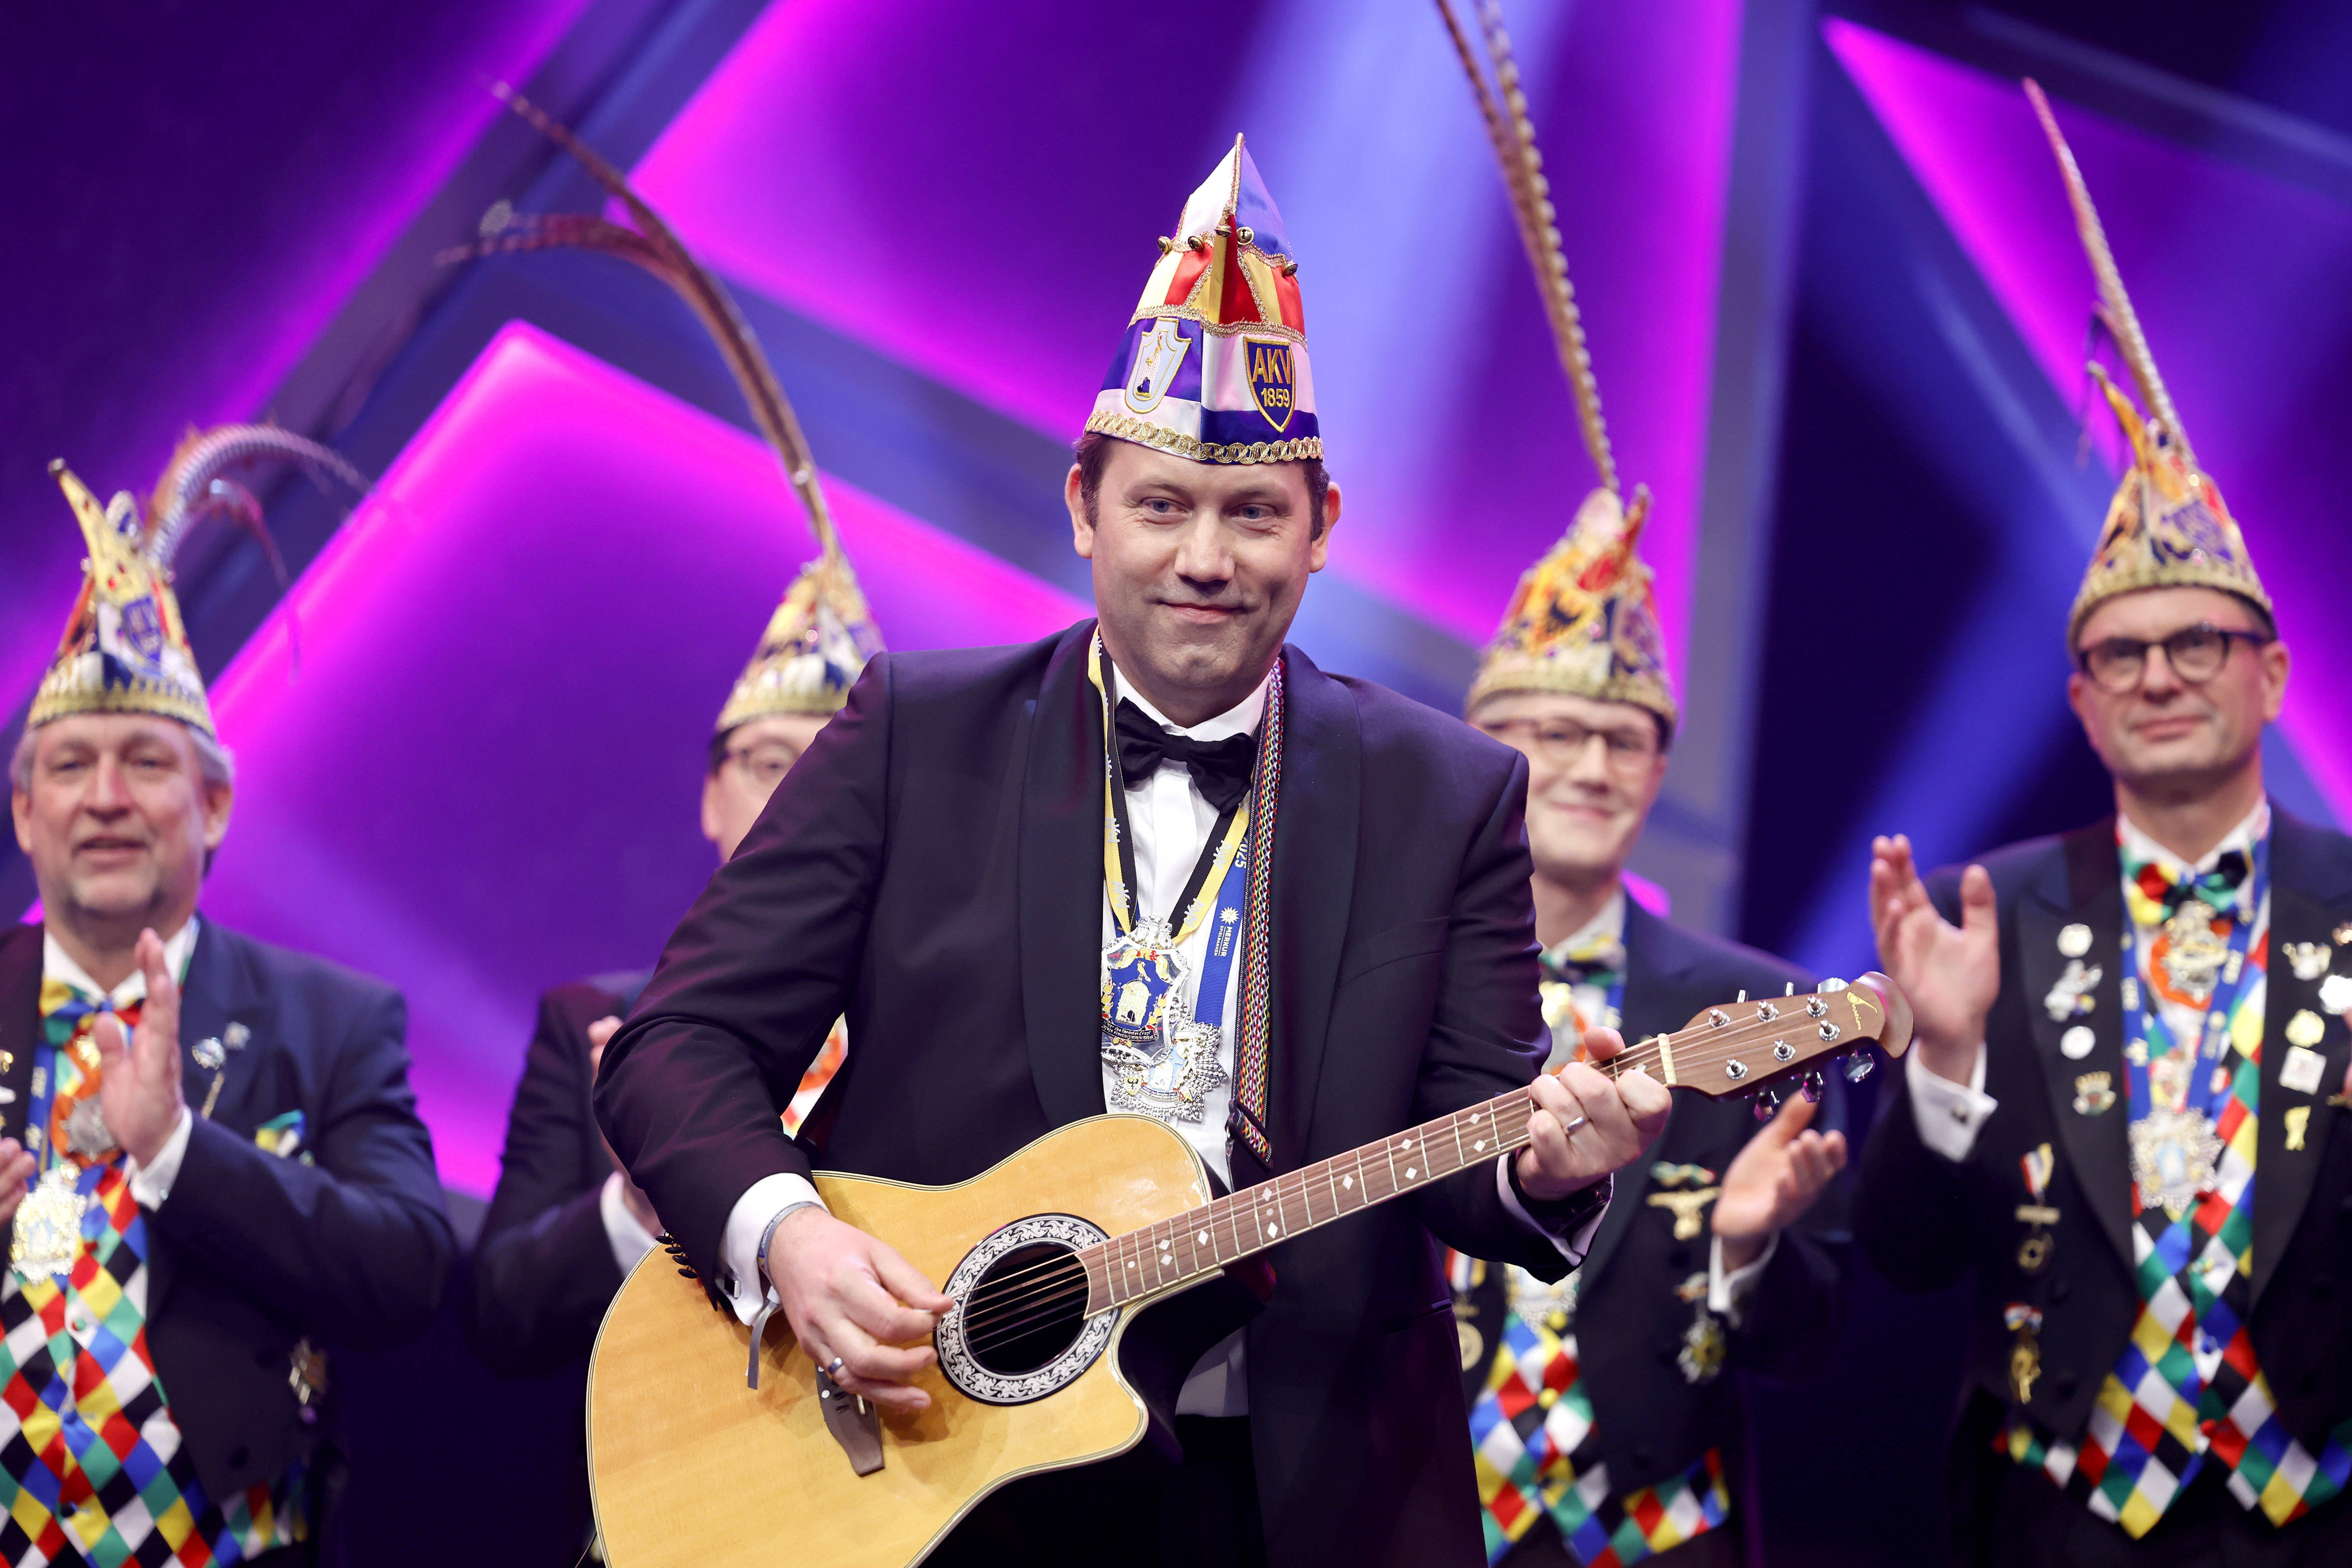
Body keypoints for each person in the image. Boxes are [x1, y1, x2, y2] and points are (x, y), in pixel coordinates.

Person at [595, 136, 1675, 1568]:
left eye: (1252, 513)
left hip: (1301, 1488)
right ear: (1082, 507)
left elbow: (1469, 1136)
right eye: (1160, 504)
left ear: (1323, 528)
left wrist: (1548, 1169)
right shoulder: (918, 732)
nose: (1204, 557)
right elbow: (675, 1044)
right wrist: (788, 1234)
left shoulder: (1451, 790)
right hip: (937, 1463)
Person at [1860, 81, 2352, 1567]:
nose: (2158, 675)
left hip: (2313, 1511)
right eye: (2119, 655)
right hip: (2056, 1520)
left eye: (2195, 642)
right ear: (2078, 703)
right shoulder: (1993, 907)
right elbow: (1901, 1257)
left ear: (2269, 672)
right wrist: (1939, 1059)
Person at [1432, 16, 1850, 1563]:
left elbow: (1812, 1339)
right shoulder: (1378, 978)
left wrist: (1749, 1249)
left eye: (1621, 738)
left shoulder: (1753, 1008)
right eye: (1549, 730)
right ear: (1483, 752)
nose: (1589, 763)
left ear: (1661, 769)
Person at [462, 103, 875, 1553]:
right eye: (763, 761)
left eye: (829, 764)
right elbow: (498, 1313)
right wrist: (644, 1200)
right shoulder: (599, 1022)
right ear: (707, 792)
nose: (787, 795)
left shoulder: (952, 1016)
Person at [2, 436, 452, 1567]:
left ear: (213, 807)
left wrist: (177, 1153)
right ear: (23, 814)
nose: (106, 798)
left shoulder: (332, 1019)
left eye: (147, 763)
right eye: (70, 766)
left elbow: (406, 1272)